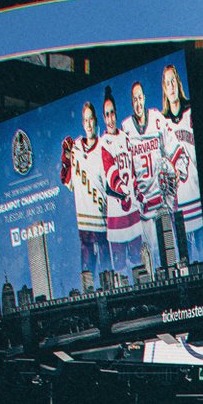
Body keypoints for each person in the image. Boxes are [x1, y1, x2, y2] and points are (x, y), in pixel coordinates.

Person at [60, 101, 116, 289]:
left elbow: (113, 182)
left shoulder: (103, 148)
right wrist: (66, 160)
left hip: (102, 222)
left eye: (91, 119)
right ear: (83, 124)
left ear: (95, 121)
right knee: (88, 276)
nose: (89, 124)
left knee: (107, 274)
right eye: (85, 120)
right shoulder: (75, 148)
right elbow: (68, 182)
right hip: (84, 224)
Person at [121, 80, 174, 274]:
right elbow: (125, 168)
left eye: (140, 98)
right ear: (131, 102)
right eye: (134, 99)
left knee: (169, 250)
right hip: (144, 203)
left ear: (144, 98)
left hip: (161, 198)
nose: (137, 103)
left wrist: (170, 178)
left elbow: (169, 150)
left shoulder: (157, 119)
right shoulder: (126, 128)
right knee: (150, 255)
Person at [160, 63, 203, 263]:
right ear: (164, 88)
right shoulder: (161, 123)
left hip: (198, 199)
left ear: (178, 83)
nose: (170, 86)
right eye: (167, 83)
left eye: (173, 81)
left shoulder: (192, 111)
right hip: (177, 207)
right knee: (185, 264)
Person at [99, 85, 139, 278]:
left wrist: (137, 192)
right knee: (120, 272)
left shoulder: (125, 137)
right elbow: (110, 172)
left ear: (116, 113)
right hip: (116, 216)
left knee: (140, 265)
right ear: (103, 118)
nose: (110, 118)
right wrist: (123, 190)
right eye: (106, 115)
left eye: (112, 113)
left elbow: (132, 170)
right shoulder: (103, 142)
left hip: (132, 212)